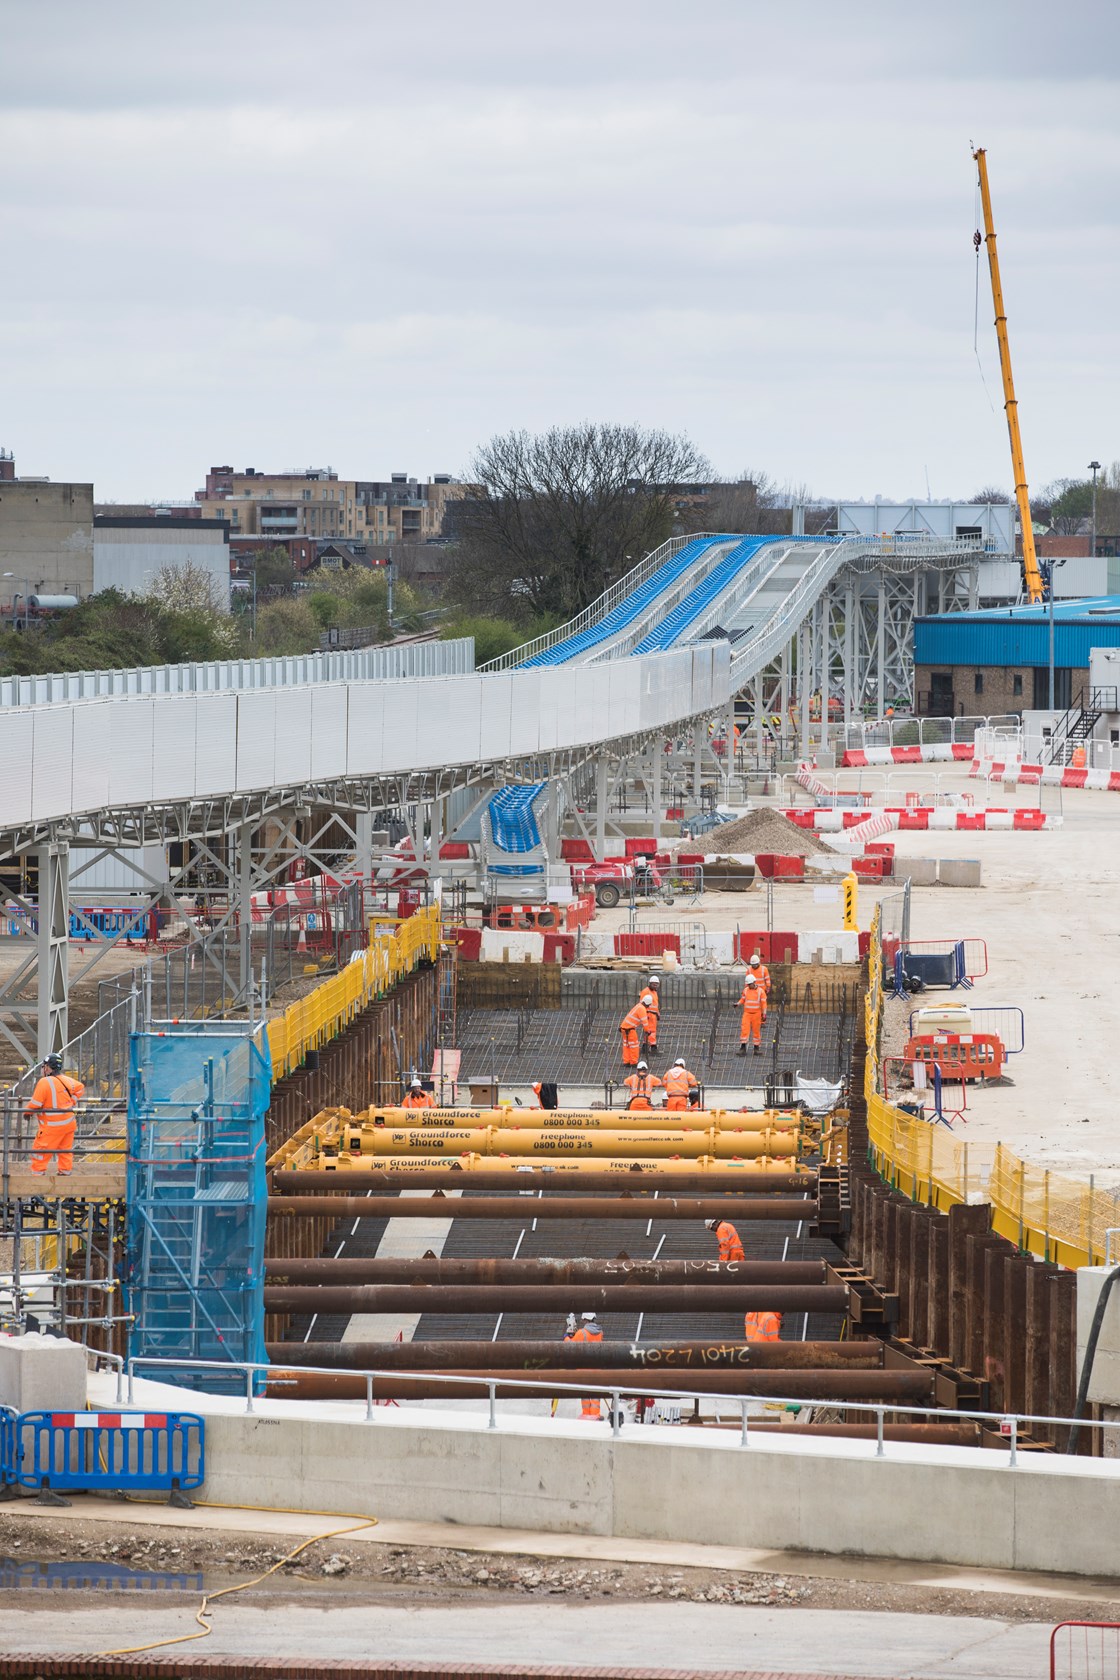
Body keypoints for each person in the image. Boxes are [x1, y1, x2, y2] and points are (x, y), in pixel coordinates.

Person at [25, 1053, 85, 1176]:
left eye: (44, 1066)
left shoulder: (44, 1082)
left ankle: (37, 1184)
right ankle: (65, 1175)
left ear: (47, 1067)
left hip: (52, 1126)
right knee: (65, 1151)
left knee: (40, 1153)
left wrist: (27, 1112)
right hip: (69, 1124)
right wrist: (72, 1100)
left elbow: (35, 1103)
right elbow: (80, 1087)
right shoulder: (67, 1080)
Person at [570, 1310, 604, 1419]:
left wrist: (567, 1336)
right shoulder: (600, 1332)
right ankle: (595, 1415)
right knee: (595, 1394)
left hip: (584, 1368)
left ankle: (586, 1414)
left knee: (585, 1393)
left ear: (585, 1319)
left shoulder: (582, 1332)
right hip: (596, 1368)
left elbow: (570, 1346)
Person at [737, 973, 767, 1056]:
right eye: (748, 984)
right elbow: (742, 999)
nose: (749, 986)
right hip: (747, 1013)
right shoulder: (746, 990)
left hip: (756, 1014)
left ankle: (756, 1049)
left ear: (754, 982)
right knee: (744, 1030)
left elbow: (764, 1003)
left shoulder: (760, 991)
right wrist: (737, 1004)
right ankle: (743, 1048)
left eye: (750, 984)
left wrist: (764, 1014)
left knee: (756, 1031)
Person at [619, 996, 650, 1067]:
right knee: (634, 1046)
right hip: (630, 1030)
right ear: (648, 1004)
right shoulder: (642, 1009)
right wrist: (647, 1030)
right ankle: (633, 1062)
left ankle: (626, 1061)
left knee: (626, 1045)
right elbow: (644, 1022)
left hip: (624, 1028)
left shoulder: (638, 1006)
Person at [638, 976, 661, 1054]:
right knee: (651, 1031)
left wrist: (657, 1012)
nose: (655, 986)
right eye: (654, 984)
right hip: (648, 1014)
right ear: (650, 983)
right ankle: (653, 1047)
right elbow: (642, 1003)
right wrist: (644, 1014)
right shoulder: (645, 991)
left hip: (653, 1015)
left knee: (650, 1031)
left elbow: (655, 1004)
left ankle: (645, 1047)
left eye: (657, 984)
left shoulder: (654, 992)